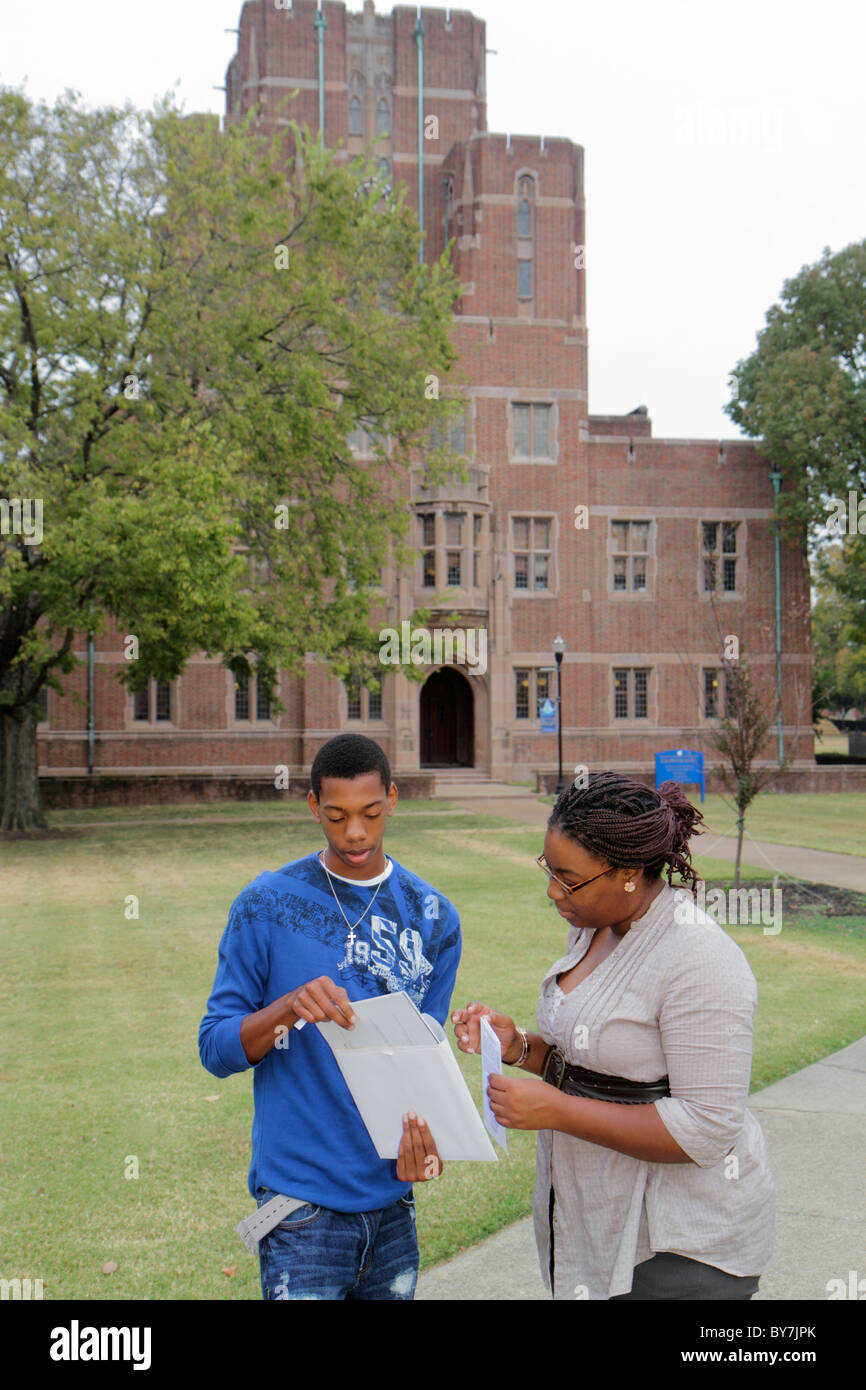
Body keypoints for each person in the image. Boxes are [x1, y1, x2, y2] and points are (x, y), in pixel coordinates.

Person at [451, 772, 775, 1301]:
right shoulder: (595, 924)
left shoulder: (700, 959)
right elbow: (601, 1065)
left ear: (627, 873)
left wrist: (555, 1111)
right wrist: (519, 1047)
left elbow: (708, 1127)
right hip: (595, 1221)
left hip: (677, 1251)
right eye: (549, 870)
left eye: (569, 879)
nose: (554, 891)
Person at [199, 733, 461, 1300]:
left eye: (370, 813)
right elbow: (216, 1048)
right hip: (300, 1211)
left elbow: (424, 1066)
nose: (356, 834)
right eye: (337, 816)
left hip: (393, 1207)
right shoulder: (266, 903)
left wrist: (430, 1143)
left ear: (392, 799)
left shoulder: (435, 917)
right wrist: (287, 1009)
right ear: (314, 805)